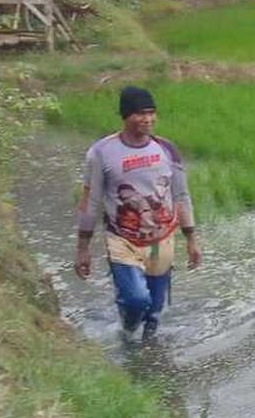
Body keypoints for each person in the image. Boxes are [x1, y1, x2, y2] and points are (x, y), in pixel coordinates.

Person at [75, 86, 202, 340]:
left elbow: (181, 195)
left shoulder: (167, 150)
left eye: (152, 113)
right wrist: (83, 248)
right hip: (123, 239)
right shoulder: (101, 153)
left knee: (154, 310)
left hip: (161, 239)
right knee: (135, 300)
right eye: (140, 114)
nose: (148, 119)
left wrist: (191, 239)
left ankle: (146, 358)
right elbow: (91, 200)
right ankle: (126, 332)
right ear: (125, 116)